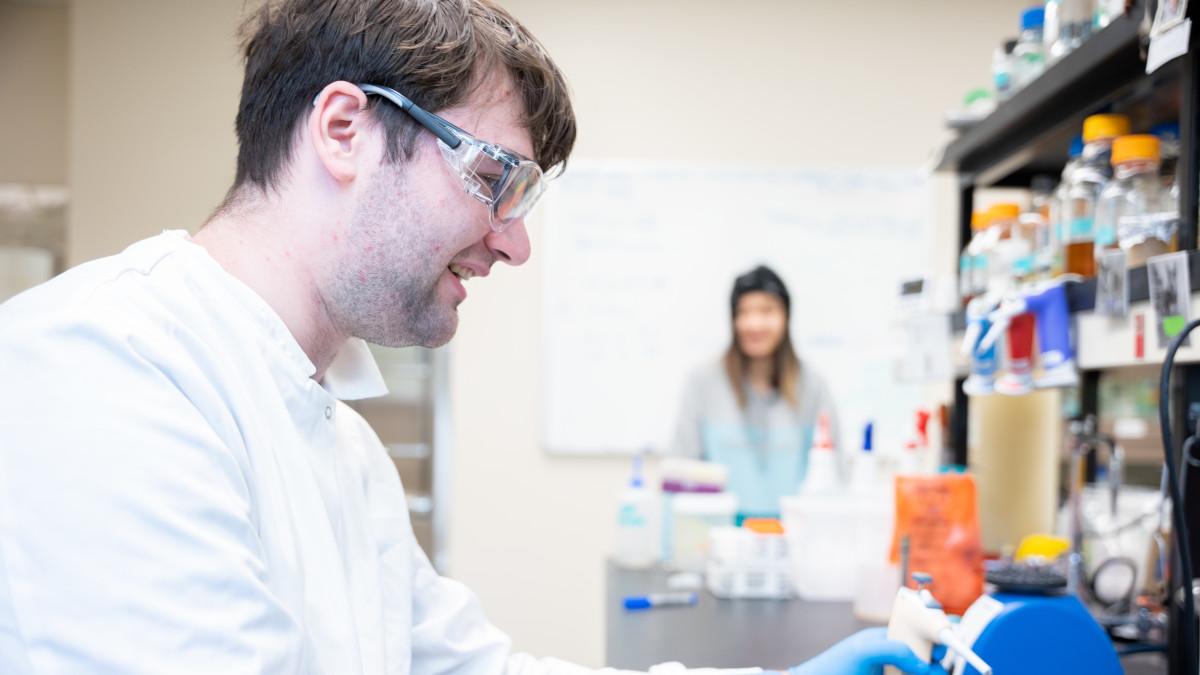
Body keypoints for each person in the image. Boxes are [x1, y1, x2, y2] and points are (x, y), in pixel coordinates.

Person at [0, 2, 939, 674]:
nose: (515, 241)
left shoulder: (343, 450)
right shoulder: (104, 367)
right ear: (343, 129)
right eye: (496, 177)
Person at [671, 265, 841, 518]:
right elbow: (681, 473)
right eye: (744, 312)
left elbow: (834, 474)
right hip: (719, 537)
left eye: (766, 311)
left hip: (792, 537)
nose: (754, 323)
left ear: (785, 316)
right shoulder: (703, 383)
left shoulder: (813, 387)